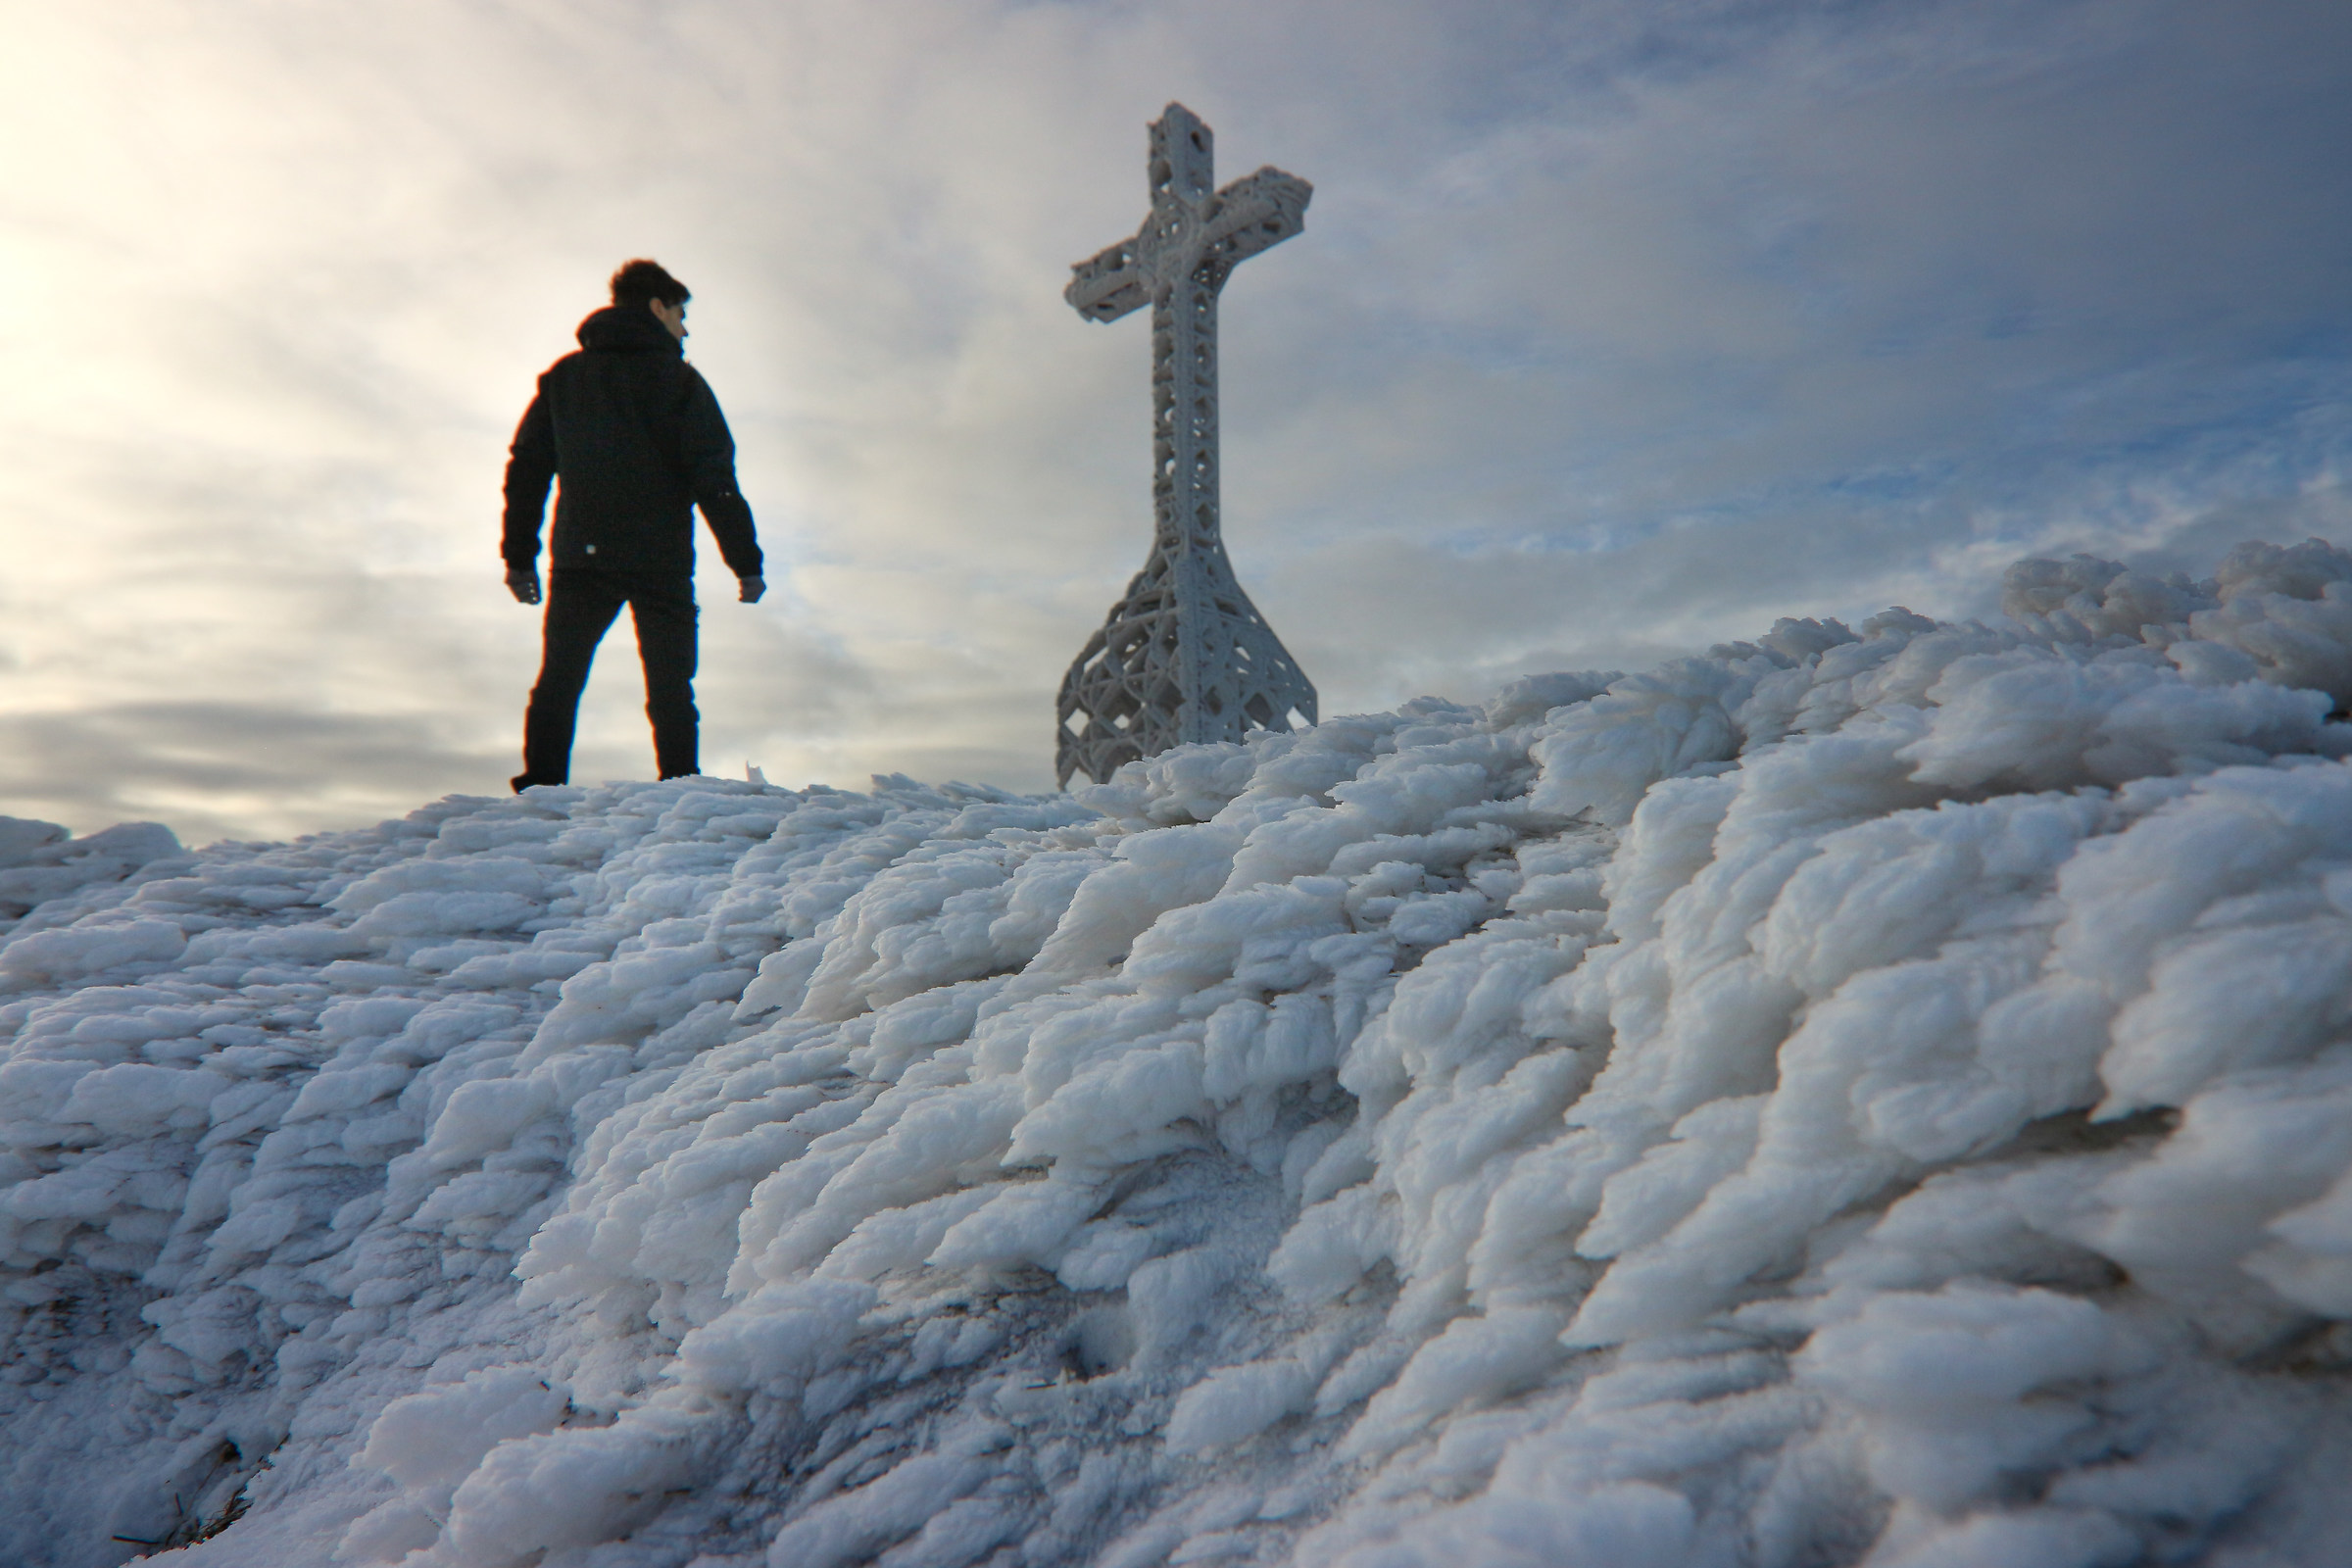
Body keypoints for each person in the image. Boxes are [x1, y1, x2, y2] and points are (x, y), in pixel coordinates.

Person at [501, 258, 765, 792]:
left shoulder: (565, 379)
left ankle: (542, 791)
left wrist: (518, 556)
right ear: (656, 307)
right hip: (659, 560)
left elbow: (528, 468)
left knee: (560, 679)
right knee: (671, 687)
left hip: (583, 557)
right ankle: (681, 788)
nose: (685, 328)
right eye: (681, 313)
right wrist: (746, 562)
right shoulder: (679, 381)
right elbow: (714, 478)